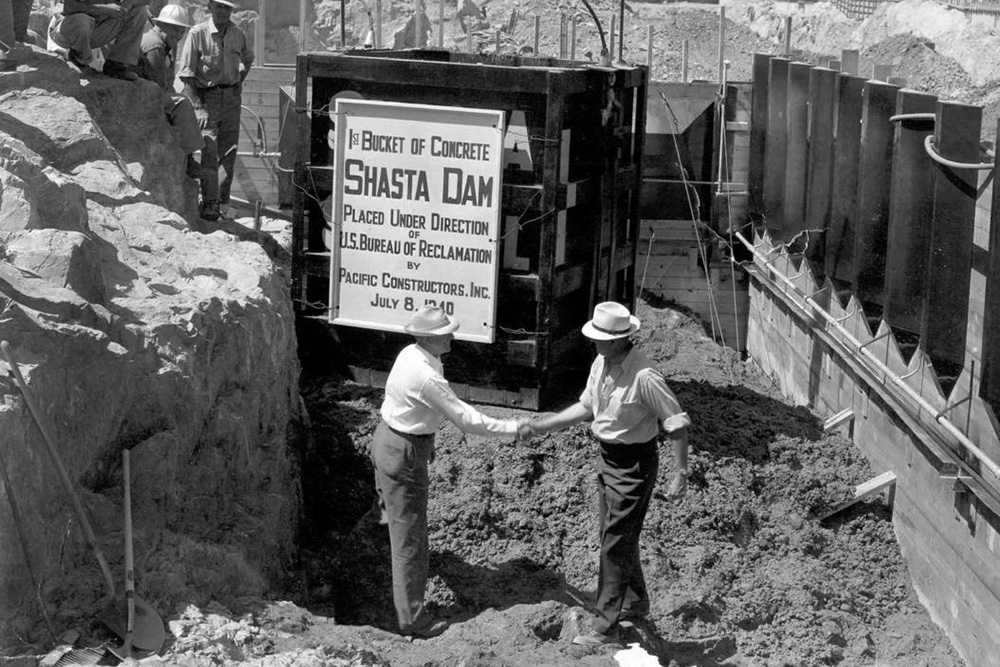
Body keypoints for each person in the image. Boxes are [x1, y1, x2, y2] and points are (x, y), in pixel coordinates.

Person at [523, 301, 691, 646]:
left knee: (613, 545)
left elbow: (676, 424)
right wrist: (541, 426)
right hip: (608, 458)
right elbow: (586, 407)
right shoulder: (601, 362)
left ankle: (606, 628)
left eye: (600, 338)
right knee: (613, 536)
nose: (594, 343)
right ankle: (634, 601)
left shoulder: (645, 377)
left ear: (620, 340)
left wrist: (681, 473)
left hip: (634, 465)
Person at [372, 306, 525, 638]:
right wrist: (514, 427)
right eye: (446, 333)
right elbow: (466, 419)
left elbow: (417, 409)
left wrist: (426, 438)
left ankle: (388, 598)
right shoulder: (425, 375)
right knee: (410, 540)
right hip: (403, 454)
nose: (452, 336)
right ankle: (411, 619)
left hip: (393, 442)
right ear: (428, 337)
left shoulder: (412, 353)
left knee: (396, 526)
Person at [175, 0, 254, 221]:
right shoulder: (198, 33)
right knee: (209, 148)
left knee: (229, 151)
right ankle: (209, 203)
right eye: (219, 7)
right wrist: (197, 106)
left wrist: (240, 81)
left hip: (231, 98)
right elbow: (187, 73)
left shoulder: (237, 33)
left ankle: (221, 202)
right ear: (210, 7)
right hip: (206, 97)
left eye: (228, 8)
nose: (224, 12)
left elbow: (248, 58)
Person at [137, 4, 205, 181]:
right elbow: (157, 84)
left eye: (181, 31)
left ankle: (188, 156)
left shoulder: (162, 45)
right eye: (176, 30)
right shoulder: (155, 46)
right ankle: (189, 159)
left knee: (181, 100)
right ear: (163, 26)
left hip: (147, 91)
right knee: (182, 103)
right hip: (142, 95)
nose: (179, 35)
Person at [47, 0, 150, 81]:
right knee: (81, 21)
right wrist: (104, 9)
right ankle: (78, 58)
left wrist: (128, 3)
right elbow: (62, 7)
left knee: (139, 11)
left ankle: (116, 65)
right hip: (66, 31)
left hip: (97, 28)